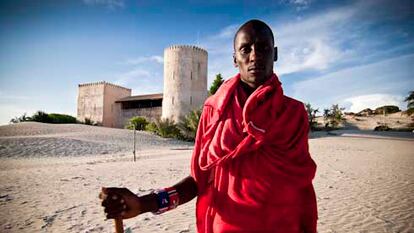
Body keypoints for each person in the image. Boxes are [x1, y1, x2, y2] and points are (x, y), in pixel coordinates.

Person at [100, 19, 317, 233]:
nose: (254, 56)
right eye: (245, 49)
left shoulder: (293, 113)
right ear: (235, 59)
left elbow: (300, 185)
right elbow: (198, 181)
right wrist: (143, 203)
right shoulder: (214, 111)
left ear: (275, 53)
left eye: (263, 48)